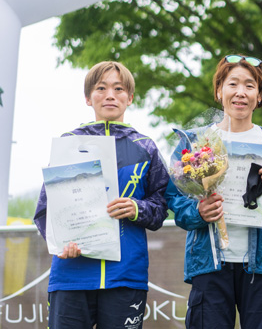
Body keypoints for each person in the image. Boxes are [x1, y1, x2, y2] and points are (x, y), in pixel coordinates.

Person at [33, 61, 169, 329]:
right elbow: (45, 211)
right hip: (71, 277)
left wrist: (136, 208)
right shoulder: (68, 143)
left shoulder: (146, 148)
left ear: (129, 98)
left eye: (118, 89)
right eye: (101, 88)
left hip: (126, 277)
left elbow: (161, 207)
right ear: (88, 97)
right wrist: (62, 243)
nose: (110, 95)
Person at [166, 54, 262, 329]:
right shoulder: (195, 143)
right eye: (232, 84)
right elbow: (175, 201)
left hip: (261, 266)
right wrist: (199, 211)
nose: (241, 93)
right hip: (209, 264)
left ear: (260, 96)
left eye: (250, 86)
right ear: (218, 90)